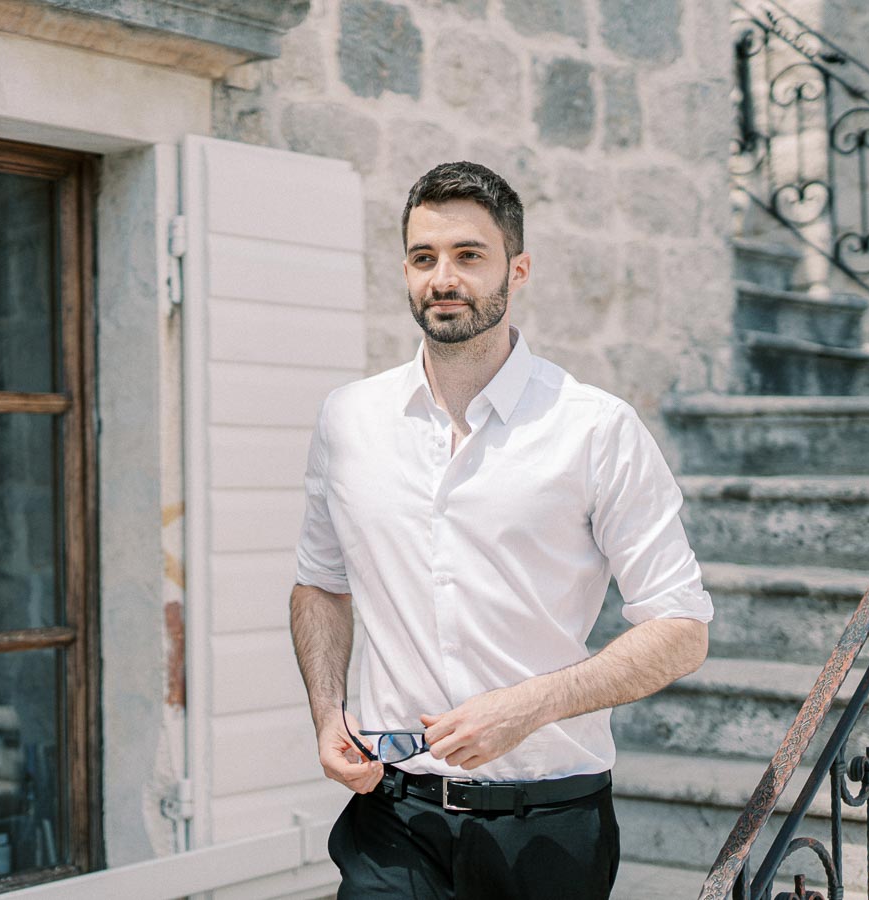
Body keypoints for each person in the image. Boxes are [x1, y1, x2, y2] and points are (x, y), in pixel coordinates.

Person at [289, 161, 714, 899]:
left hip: (547, 819)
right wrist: (328, 713)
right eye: (424, 258)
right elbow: (320, 587)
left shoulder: (594, 427)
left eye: (469, 256)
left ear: (517, 270)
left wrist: (529, 706)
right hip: (391, 815)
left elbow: (681, 628)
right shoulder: (347, 419)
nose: (443, 278)